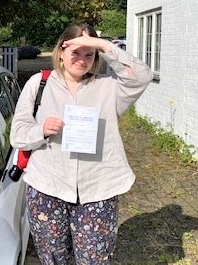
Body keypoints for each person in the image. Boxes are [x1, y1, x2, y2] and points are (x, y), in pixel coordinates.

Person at [10, 22, 153, 264]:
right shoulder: (39, 83)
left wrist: (102, 44)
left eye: (89, 54)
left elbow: (142, 76)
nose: (82, 59)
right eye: (76, 52)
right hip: (48, 187)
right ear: (61, 52)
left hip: (98, 190)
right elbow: (18, 134)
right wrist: (41, 130)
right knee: (53, 258)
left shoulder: (109, 88)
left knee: (94, 259)